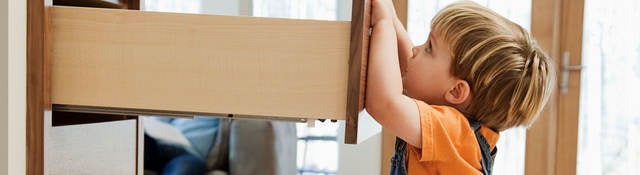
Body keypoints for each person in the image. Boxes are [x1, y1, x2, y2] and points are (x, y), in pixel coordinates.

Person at [366, 1, 555, 175]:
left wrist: (383, 24)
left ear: (456, 91)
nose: (416, 50)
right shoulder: (456, 131)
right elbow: (412, 65)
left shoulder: (454, 133)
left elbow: (384, 104)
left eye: (429, 48)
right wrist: (389, 15)